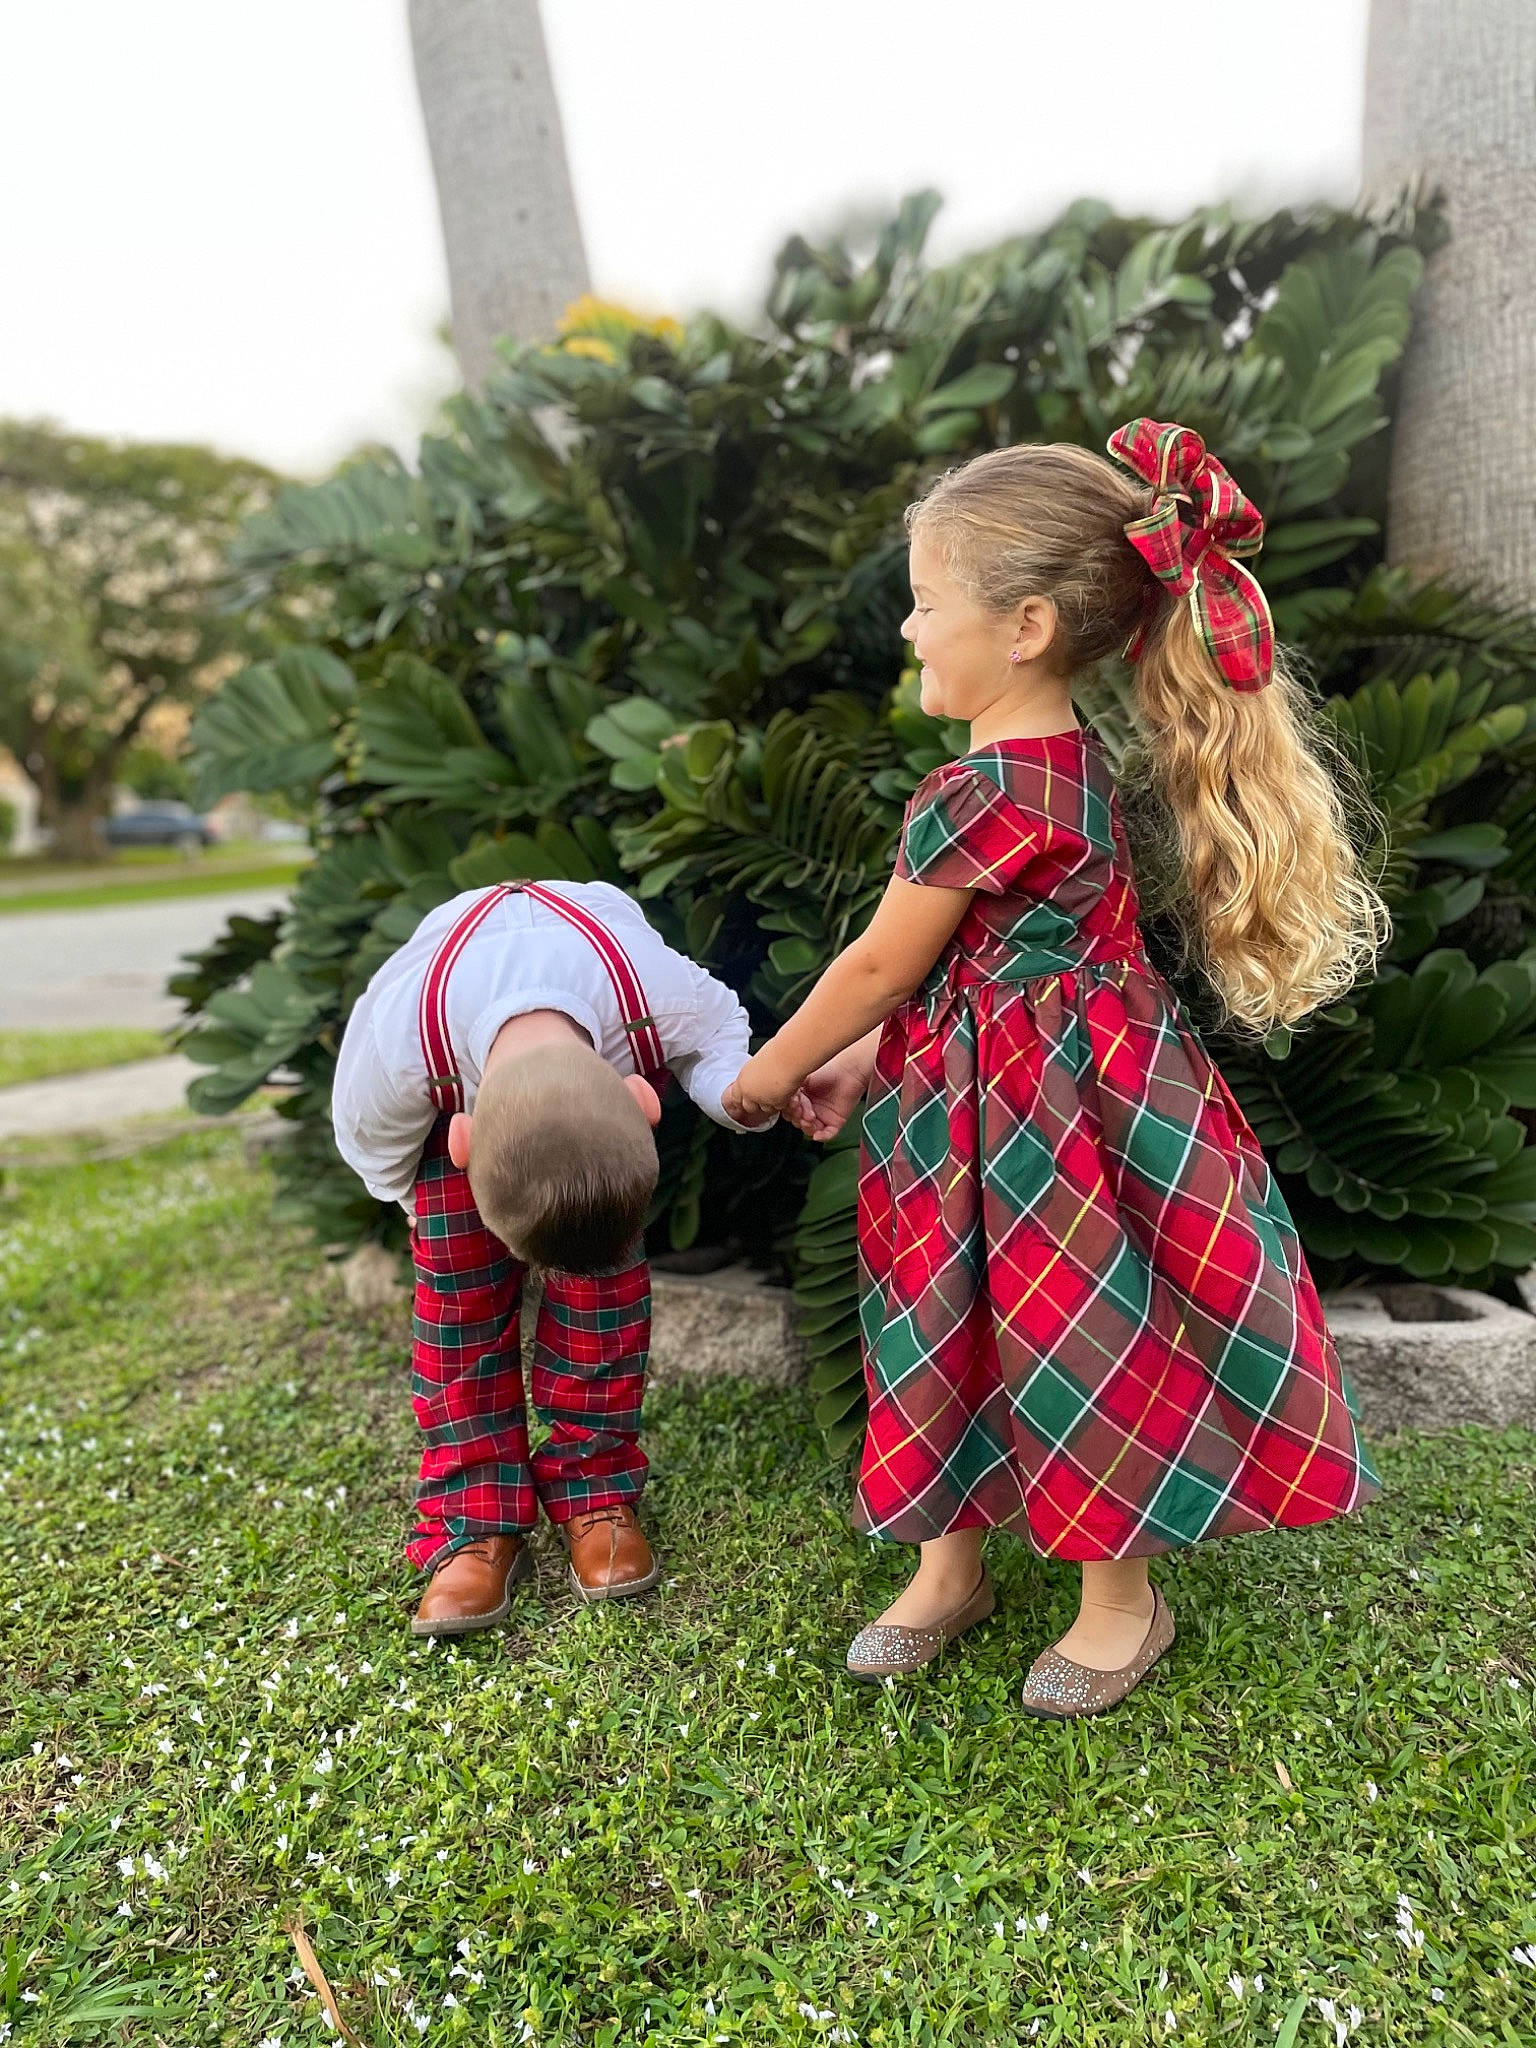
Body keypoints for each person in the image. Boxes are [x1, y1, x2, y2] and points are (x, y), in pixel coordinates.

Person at [724, 420, 1385, 1718]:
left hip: (1038, 1135)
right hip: (1049, 1108)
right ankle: (949, 1567)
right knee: (985, 1325)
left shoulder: (980, 790)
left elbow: (878, 964)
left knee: (1062, 1335)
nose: (909, 632)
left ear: (1024, 625)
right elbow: (975, 958)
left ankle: (1121, 1603)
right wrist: (865, 1061)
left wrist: (771, 1071)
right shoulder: (1077, 768)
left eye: (925, 603)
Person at [333, 877, 774, 1637]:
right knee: (457, 1315)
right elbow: (372, 1151)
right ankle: (474, 1519)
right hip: (448, 1111)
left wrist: (731, 1099)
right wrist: (427, 1216)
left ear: (643, 1099)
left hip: (585, 1101)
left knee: (605, 1304)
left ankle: (594, 1485)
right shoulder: (400, 1049)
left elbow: (720, 1034)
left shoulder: (652, 986)